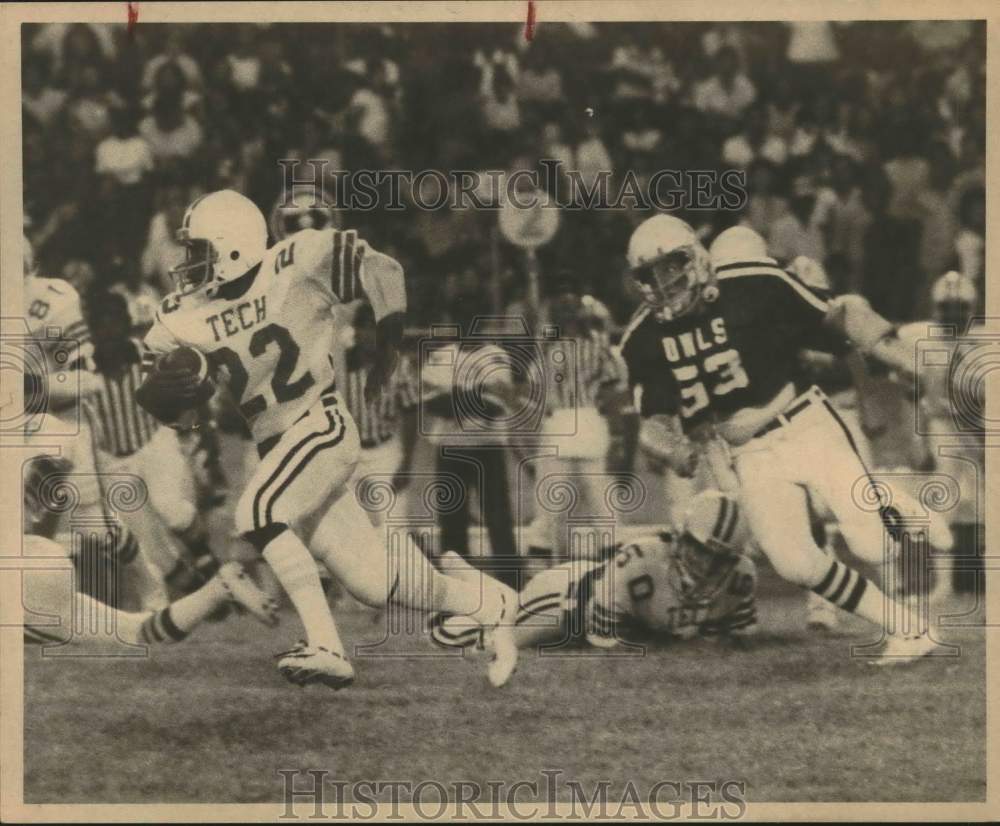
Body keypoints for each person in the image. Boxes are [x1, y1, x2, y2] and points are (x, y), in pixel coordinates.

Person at [135, 189, 518, 689]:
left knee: (258, 512)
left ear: (233, 247)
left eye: (200, 249)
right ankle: (491, 604)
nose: (190, 263)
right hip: (280, 446)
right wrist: (177, 397)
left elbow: (383, 270)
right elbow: (162, 400)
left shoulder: (295, 259)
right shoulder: (185, 313)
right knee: (372, 582)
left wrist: (388, 347)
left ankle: (326, 644)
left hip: (320, 424)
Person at [619, 214, 941, 665]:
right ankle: (910, 630)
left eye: (671, 266)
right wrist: (674, 450)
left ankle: (890, 498)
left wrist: (905, 359)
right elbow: (653, 422)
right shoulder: (643, 338)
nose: (664, 282)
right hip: (749, 452)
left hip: (804, 424)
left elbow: (840, 313)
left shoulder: (753, 282)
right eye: (650, 275)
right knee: (794, 561)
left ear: (695, 257)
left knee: (873, 546)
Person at [433, 490, 757, 654]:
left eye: (719, 559)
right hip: (569, 599)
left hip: (606, 600)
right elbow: (603, 642)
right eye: (701, 551)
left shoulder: (741, 579)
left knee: (509, 607)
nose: (707, 566)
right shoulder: (641, 564)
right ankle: (450, 609)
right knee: (498, 643)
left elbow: (731, 641)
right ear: (680, 538)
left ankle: (464, 574)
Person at [20, 454, 277, 650]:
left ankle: (174, 585)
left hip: (25, 571)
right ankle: (219, 589)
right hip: (41, 559)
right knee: (136, 632)